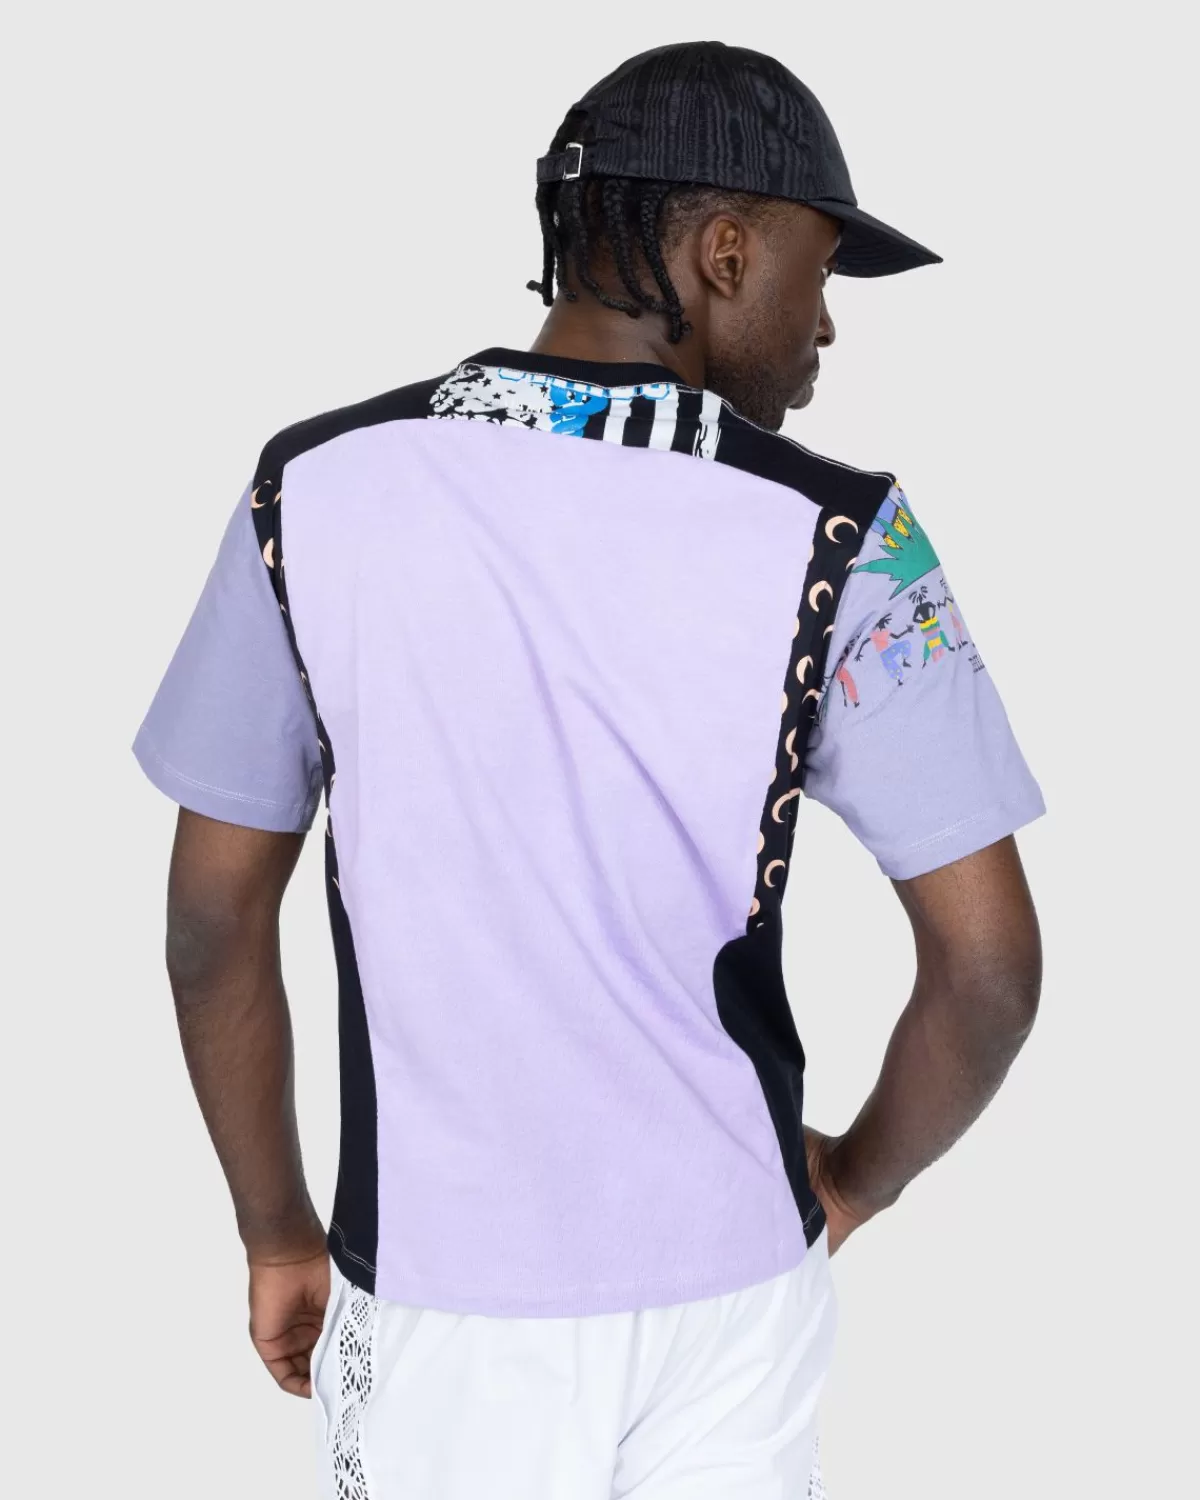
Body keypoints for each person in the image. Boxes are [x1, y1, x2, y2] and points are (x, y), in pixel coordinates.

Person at [134, 40, 1044, 1500]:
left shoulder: (311, 489)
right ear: (725, 253)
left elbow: (210, 922)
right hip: (735, 1294)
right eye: (821, 273)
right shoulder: (850, 540)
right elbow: (990, 969)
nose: (827, 326)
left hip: (434, 1299)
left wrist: (277, 1231)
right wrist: (855, 1178)